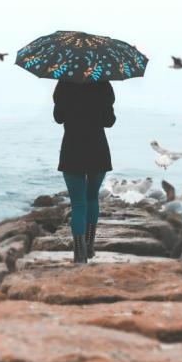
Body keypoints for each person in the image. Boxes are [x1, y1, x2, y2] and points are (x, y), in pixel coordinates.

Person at [53, 79, 116, 264]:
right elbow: (109, 121)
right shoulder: (103, 84)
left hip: (72, 151)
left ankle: (79, 253)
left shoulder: (64, 83)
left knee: (78, 203)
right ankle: (89, 245)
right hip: (98, 151)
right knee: (92, 197)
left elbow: (58, 118)